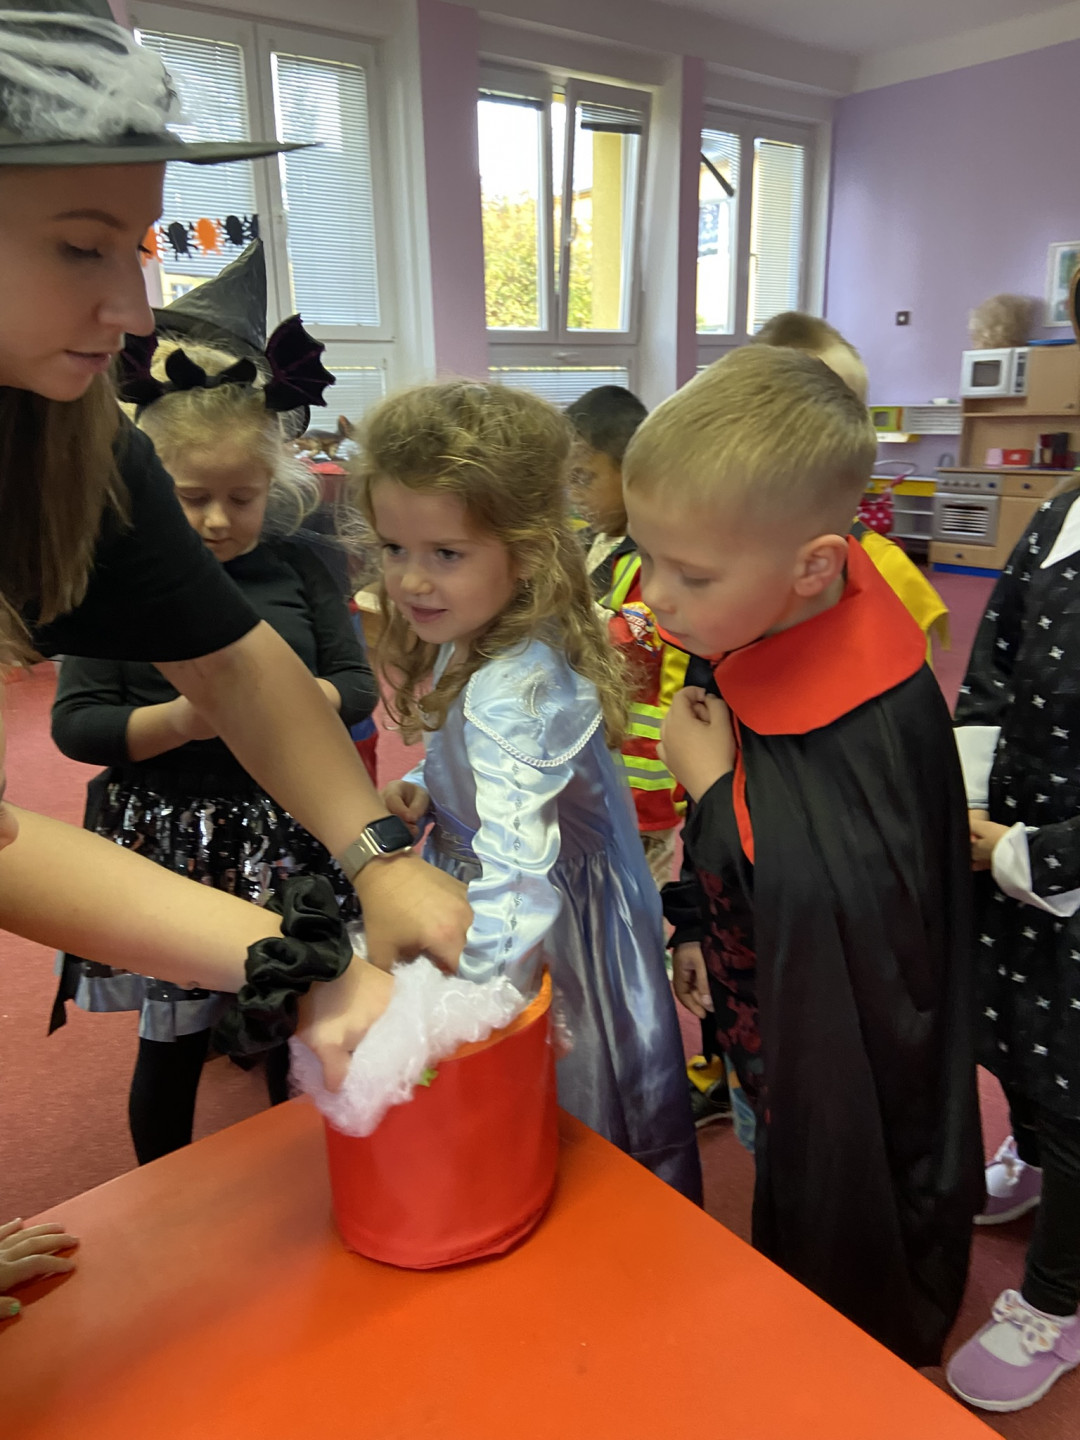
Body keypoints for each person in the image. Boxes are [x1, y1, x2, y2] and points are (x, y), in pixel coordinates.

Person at [0, 0, 466, 1307]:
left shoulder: (75, 437)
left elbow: (235, 661)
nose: (133, 307)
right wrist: (304, 959)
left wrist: (372, 860)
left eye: (140, 245)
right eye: (82, 246)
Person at [624, 345, 983, 1363]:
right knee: (768, 1144)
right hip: (755, 1002)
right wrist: (692, 922)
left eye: (690, 575)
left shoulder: (874, 704)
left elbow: (834, 903)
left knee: (831, 1201)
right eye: (647, 557)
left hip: (832, 1042)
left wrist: (706, 785)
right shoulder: (753, 611)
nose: (655, 597)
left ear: (817, 565)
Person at [49, 248, 378, 1164]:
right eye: (191, 499)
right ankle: (164, 1185)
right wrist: (186, 719)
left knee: (292, 1013)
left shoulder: (302, 567)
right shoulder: (118, 577)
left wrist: (292, 700)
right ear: (147, 488)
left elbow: (356, 688)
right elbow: (78, 726)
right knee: (175, 1039)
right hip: (174, 840)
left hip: (285, 828)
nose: (219, 521)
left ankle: (300, 1166)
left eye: (242, 497)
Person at [356, 380, 701, 1202]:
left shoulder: (517, 687)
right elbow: (480, 762)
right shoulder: (477, 627)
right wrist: (426, 785)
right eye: (394, 548)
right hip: (488, 883)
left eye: (445, 553)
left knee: (552, 1120)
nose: (411, 581)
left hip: (538, 926)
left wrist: (461, 1017)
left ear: (526, 551)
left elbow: (517, 882)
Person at [946, 483, 1080, 1412]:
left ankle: (1058, 1304)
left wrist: (1039, 855)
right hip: (1010, 849)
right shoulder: (1062, 512)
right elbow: (990, 666)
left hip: (1051, 859)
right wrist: (971, 806)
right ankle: (1028, 1155)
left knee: (1078, 1093)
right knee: (1016, 1032)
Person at [753, 311, 950, 660]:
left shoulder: (888, 575)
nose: (819, 446)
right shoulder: (709, 554)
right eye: (785, 424)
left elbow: (910, 690)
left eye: (845, 421)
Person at [566, 385, 688, 889]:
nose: (575, 493)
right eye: (569, 479)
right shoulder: (589, 541)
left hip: (642, 776)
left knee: (638, 892)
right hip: (595, 760)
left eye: (585, 478)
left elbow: (639, 637)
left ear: (634, 471)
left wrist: (568, 622)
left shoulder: (658, 553)